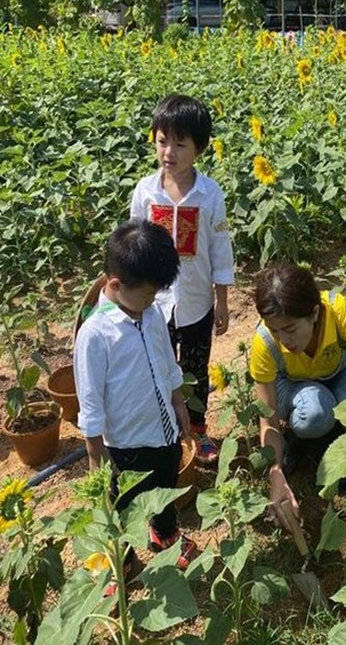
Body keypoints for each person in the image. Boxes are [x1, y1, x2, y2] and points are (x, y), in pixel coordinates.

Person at [74, 219, 196, 595]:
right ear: (114, 285)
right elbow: (90, 400)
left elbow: (165, 358)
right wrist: (96, 455)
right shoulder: (95, 335)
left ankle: (164, 533)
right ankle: (122, 562)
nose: (151, 302)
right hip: (125, 444)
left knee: (165, 483)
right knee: (124, 506)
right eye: (145, 295)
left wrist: (178, 399)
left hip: (163, 431)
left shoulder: (152, 312)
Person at [130, 94, 234, 464]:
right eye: (162, 141)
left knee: (194, 368)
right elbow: (135, 246)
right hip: (154, 303)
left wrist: (222, 301)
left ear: (200, 148)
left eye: (179, 143)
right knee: (157, 364)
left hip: (195, 302)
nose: (168, 151)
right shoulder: (145, 191)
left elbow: (220, 248)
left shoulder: (210, 194)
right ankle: (164, 429)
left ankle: (198, 430)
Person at [250, 263, 346, 530]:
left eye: (290, 329)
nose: (283, 339)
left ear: (314, 313)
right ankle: (299, 441)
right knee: (315, 413)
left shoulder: (339, 310)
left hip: (339, 371)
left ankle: (344, 444)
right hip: (294, 384)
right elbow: (268, 420)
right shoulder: (264, 343)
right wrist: (275, 473)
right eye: (275, 330)